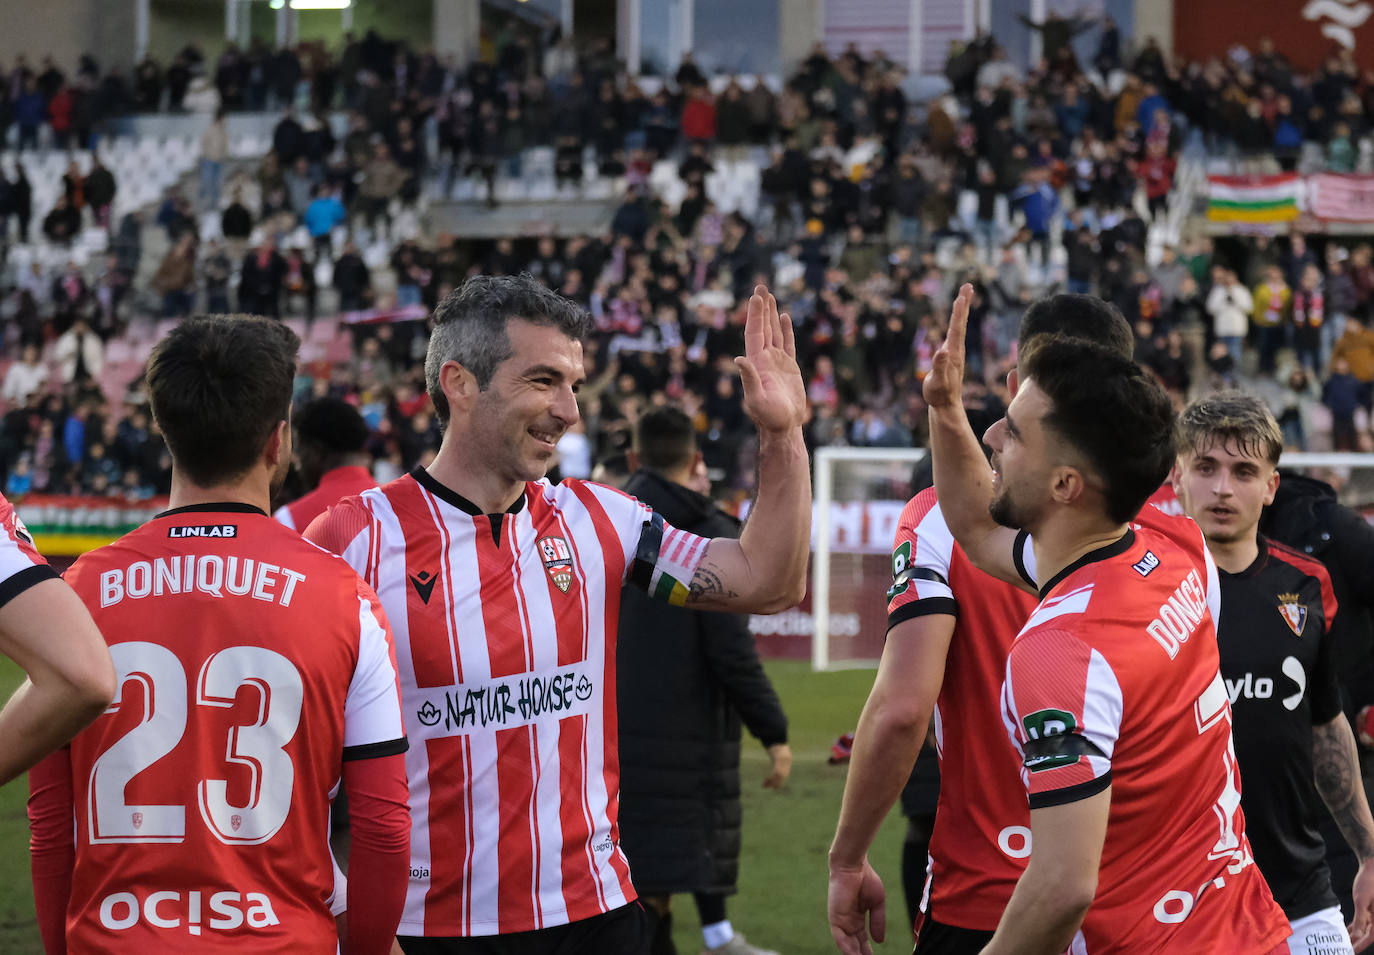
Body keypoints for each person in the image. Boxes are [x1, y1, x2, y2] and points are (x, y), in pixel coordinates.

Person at [304, 275, 811, 953]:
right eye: (544, 380)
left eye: (574, 384)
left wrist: (783, 435)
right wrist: (356, 925)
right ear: (459, 383)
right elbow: (297, 768)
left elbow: (769, 580)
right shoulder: (352, 539)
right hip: (424, 931)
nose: (569, 410)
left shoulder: (600, 520)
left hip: (596, 916)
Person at [921, 285, 1289, 953]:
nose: (993, 435)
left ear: (1066, 485)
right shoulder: (1175, 546)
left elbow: (1062, 884)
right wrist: (944, 409)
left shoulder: (1060, 655)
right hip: (1248, 925)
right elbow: (977, 529)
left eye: (1016, 430)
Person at [27, 315, 411, 954]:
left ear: (163, 431)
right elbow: (382, 828)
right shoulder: (345, 599)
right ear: (277, 441)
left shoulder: (75, 595)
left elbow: (51, 828)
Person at [827, 296, 1136, 955]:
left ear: (1011, 388)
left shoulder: (937, 519)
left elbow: (903, 708)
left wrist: (847, 856)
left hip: (991, 893)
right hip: (1140, 901)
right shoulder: (1173, 531)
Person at [1172, 393, 1374, 953]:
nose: (1221, 489)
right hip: (1177, 895)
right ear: (1176, 478)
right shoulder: (1142, 589)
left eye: (1243, 471)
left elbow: (1324, 724)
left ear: (1270, 487)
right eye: (1205, 468)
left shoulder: (1308, 586)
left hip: (1300, 892)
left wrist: (1369, 851)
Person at [617, 406, 790, 955]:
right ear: (695, 460)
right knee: (658, 888)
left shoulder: (602, 522)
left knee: (639, 888)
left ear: (632, 458)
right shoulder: (705, 535)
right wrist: (773, 730)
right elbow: (731, 651)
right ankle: (717, 938)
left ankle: (716, 936)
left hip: (606, 734)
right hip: (685, 741)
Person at [275, 396, 378, 532]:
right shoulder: (398, 506)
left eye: (300, 453)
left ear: (316, 451)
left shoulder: (288, 521)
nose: (299, 466)